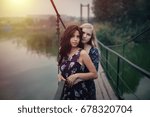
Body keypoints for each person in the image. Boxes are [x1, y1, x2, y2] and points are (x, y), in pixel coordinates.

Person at [58, 25, 97, 100]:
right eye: (72, 36)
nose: (75, 39)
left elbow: (94, 74)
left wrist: (76, 75)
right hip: (65, 92)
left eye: (78, 36)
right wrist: (59, 75)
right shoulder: (62, 51)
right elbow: (62, 68)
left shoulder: (82, 53)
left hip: (79, 93)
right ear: (67, 37)